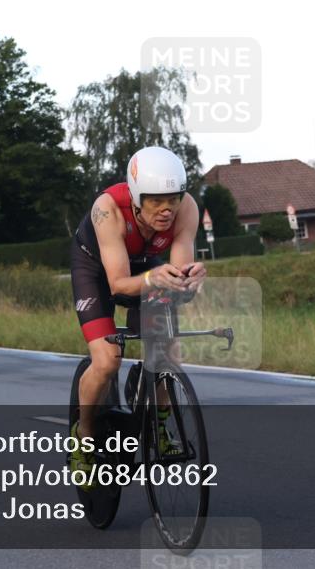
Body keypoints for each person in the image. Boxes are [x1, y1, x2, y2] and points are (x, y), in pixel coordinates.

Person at [68, 146, 206, 486]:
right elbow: (117, 284)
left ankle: (159, 423)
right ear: (135, 197)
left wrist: (189, 280)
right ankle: (83, 438)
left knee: (166, 353)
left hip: (146, 265)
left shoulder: (187, 208)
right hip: (98, 269)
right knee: (106, 361)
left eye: (172, 198)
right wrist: (153, 279)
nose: (166, 210)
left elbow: (178, 270)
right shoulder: (107, 209)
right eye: (155, 201)